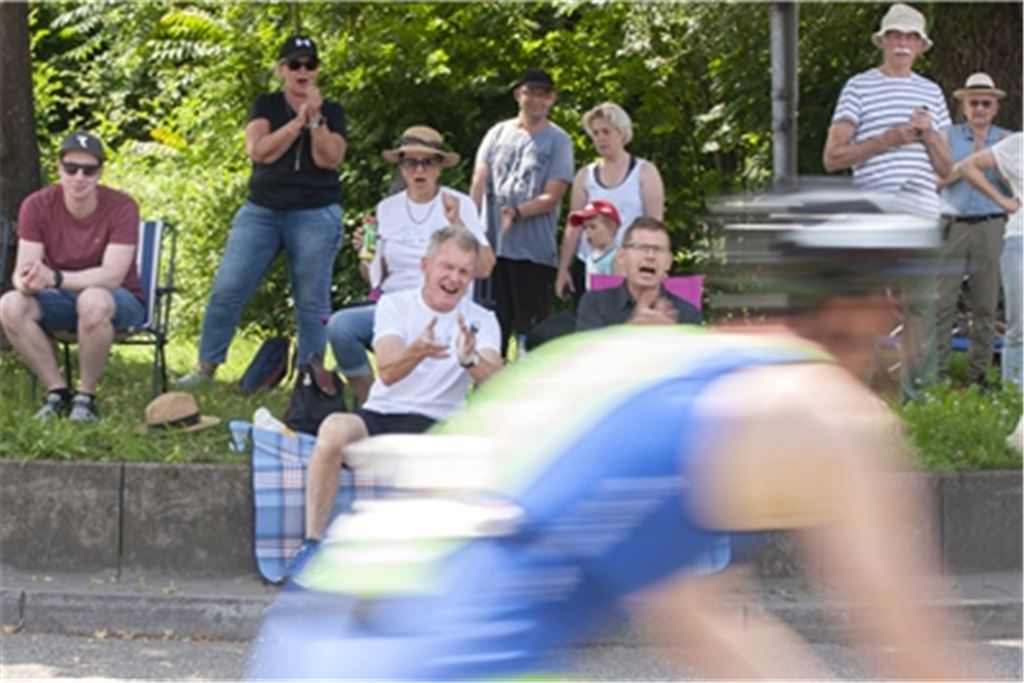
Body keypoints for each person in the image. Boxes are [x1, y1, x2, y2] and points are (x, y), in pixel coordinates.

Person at [247, 192, 977, 680]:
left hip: (311, 643)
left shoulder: (644, 372)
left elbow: (709, 631)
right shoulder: (818, 412)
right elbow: (921, 654)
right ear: (872, 307)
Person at [297, 226, 502, 563]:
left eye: (464, 271)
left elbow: (498, 385)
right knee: (334, 427)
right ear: (426, 266)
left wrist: (470, 359)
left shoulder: (482, 320)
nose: (455, 278)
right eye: (447, 267)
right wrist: (418, 350)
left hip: (441, 425)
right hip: (383, 414)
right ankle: (313, 544)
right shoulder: (395, 304)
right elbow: (388, 372)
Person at [178, 35, 347, 387]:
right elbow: (259, 151)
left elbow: (328, 159)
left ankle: (309, 377)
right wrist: (297, 123)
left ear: (317, 70)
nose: (303, 71)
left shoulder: (333, 111)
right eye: (295, 64)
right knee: (228, 287)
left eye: (310, 64)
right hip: (263, 211)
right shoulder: (265, 105)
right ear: (281, 69)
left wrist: (316, 121)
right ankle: (205, 368)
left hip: (315, 212)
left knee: (312, 301)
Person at [822, 2, 952, 402]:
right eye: (895, 35)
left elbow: (947, 168)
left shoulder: (931, 92)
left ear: (919, 45)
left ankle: (918, 397)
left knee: (920, 308)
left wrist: (928, 135)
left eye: (910, 36)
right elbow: (832, 158)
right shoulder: (859, 86)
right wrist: (886, 140)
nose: (902, 42)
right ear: (884, 41)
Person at [327, 126, 495, 405]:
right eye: (410, 162)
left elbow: (486, 268)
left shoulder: (460, 203)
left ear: (440, 167)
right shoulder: (387, 209)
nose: (419, 170)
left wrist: (457, 223)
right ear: (401, 168)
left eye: (428, 162)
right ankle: (372, 402)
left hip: (444, 308)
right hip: (395, 305)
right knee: (340, 326)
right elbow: (374, 278)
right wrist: (366, 256)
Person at [0, 131, 144, 422]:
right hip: (61, 300)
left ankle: (86, 397)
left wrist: (54, 278)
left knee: (92, 300)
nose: (79, 177)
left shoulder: (122, 207)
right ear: (58, 169)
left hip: (120, 302)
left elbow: (112, 276)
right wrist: (26, 282)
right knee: (10, 304)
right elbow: (23, 271)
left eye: (89, 170)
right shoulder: (36, 205)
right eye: (71, 168)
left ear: (100, 173)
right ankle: (58, 392)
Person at [470, 68, 575, 356]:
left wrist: (516, 212)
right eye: (530, 92)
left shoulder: (559, 140)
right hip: (491, 253)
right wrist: (469, 229)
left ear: (552, 99)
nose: (536, 100)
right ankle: (490, 391)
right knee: (490, 329)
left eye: (544, 94)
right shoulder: (497, 133)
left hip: (534, 253)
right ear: (518, 95)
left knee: (531, 333)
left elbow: (553, 196)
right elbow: (479, 181)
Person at [935, 73, 1013, 387]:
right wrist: (970, 163)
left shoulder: (1008, 140)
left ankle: (978, 378)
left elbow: (1014, 185)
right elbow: (936, 182)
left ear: (995, 108)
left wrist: (997, 166)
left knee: (985, 304)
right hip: (952, 226)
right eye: (973, 103)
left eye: (986, 103)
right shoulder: (946, 137)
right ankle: (936, 376)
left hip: (992, 226)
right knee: (942, 303)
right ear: (963, 107)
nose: (979, 108)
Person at [555, 101, 665, 306]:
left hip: (632, 266)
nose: (600, 138)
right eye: (595, 133)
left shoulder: (644, 171)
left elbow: (655, 225)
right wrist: (563, 269)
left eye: (606, 131)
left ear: (622, 133)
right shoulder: (584, 175)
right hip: (590, 267)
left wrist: (657, 266)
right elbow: (574, 225)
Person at [956, 132, 1022, 388]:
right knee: (1020, 326)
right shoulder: (1017, 144)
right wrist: (1002, 200)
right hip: (1020, 239)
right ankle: (1015, 397)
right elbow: (967, 166)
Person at [576, 217, 701, 331]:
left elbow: (697, 356)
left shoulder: (687, 313)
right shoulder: (594, 303)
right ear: (621, 256)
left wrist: (671, 336)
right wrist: (632, 329)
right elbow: (587, 354)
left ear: (668, 262)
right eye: (642, 248)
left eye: (658, 250)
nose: (650, 256)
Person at [569, 199, 622, 288]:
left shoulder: (618, 257)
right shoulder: (590, 259)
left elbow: (618, 291)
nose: (588, 232)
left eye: (593, 227)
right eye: (585, 228)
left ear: (612, 228)